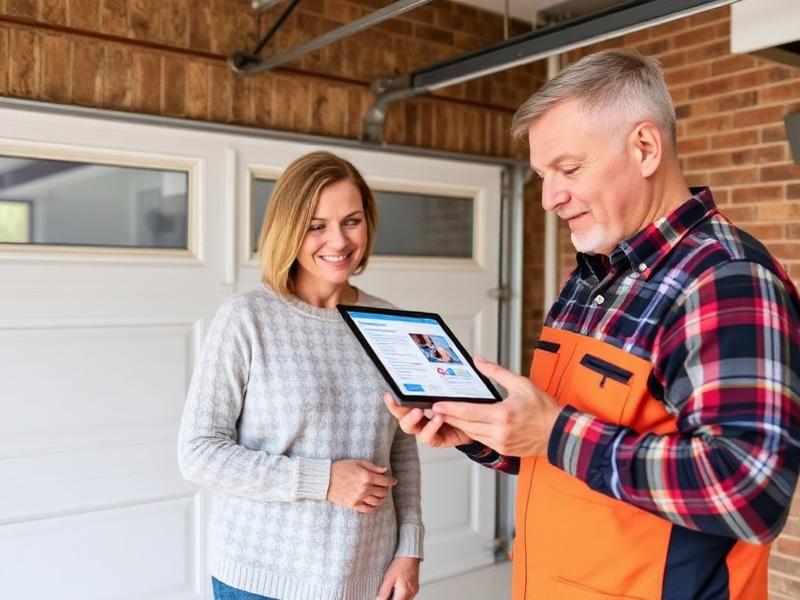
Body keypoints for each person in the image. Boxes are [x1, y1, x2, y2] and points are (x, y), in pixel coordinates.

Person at [386, 49, 800, 600]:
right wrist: (489, 432)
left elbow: (748, 489)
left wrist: (553, 432)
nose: (548, 199)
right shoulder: (590, 275)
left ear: (645, 148)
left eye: (569, 169)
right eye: (541, 175)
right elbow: (575, 446)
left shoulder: (724, 280)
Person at [179, 151, 423, 600]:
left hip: (367, 575)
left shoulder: (390, 323)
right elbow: (199, 452)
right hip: (262, 578)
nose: (339, 240)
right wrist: (323, 480)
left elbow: (401, 447)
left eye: (351, 220)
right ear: (289, 228)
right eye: (317, 225)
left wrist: (409, 548)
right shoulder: (246, 320)